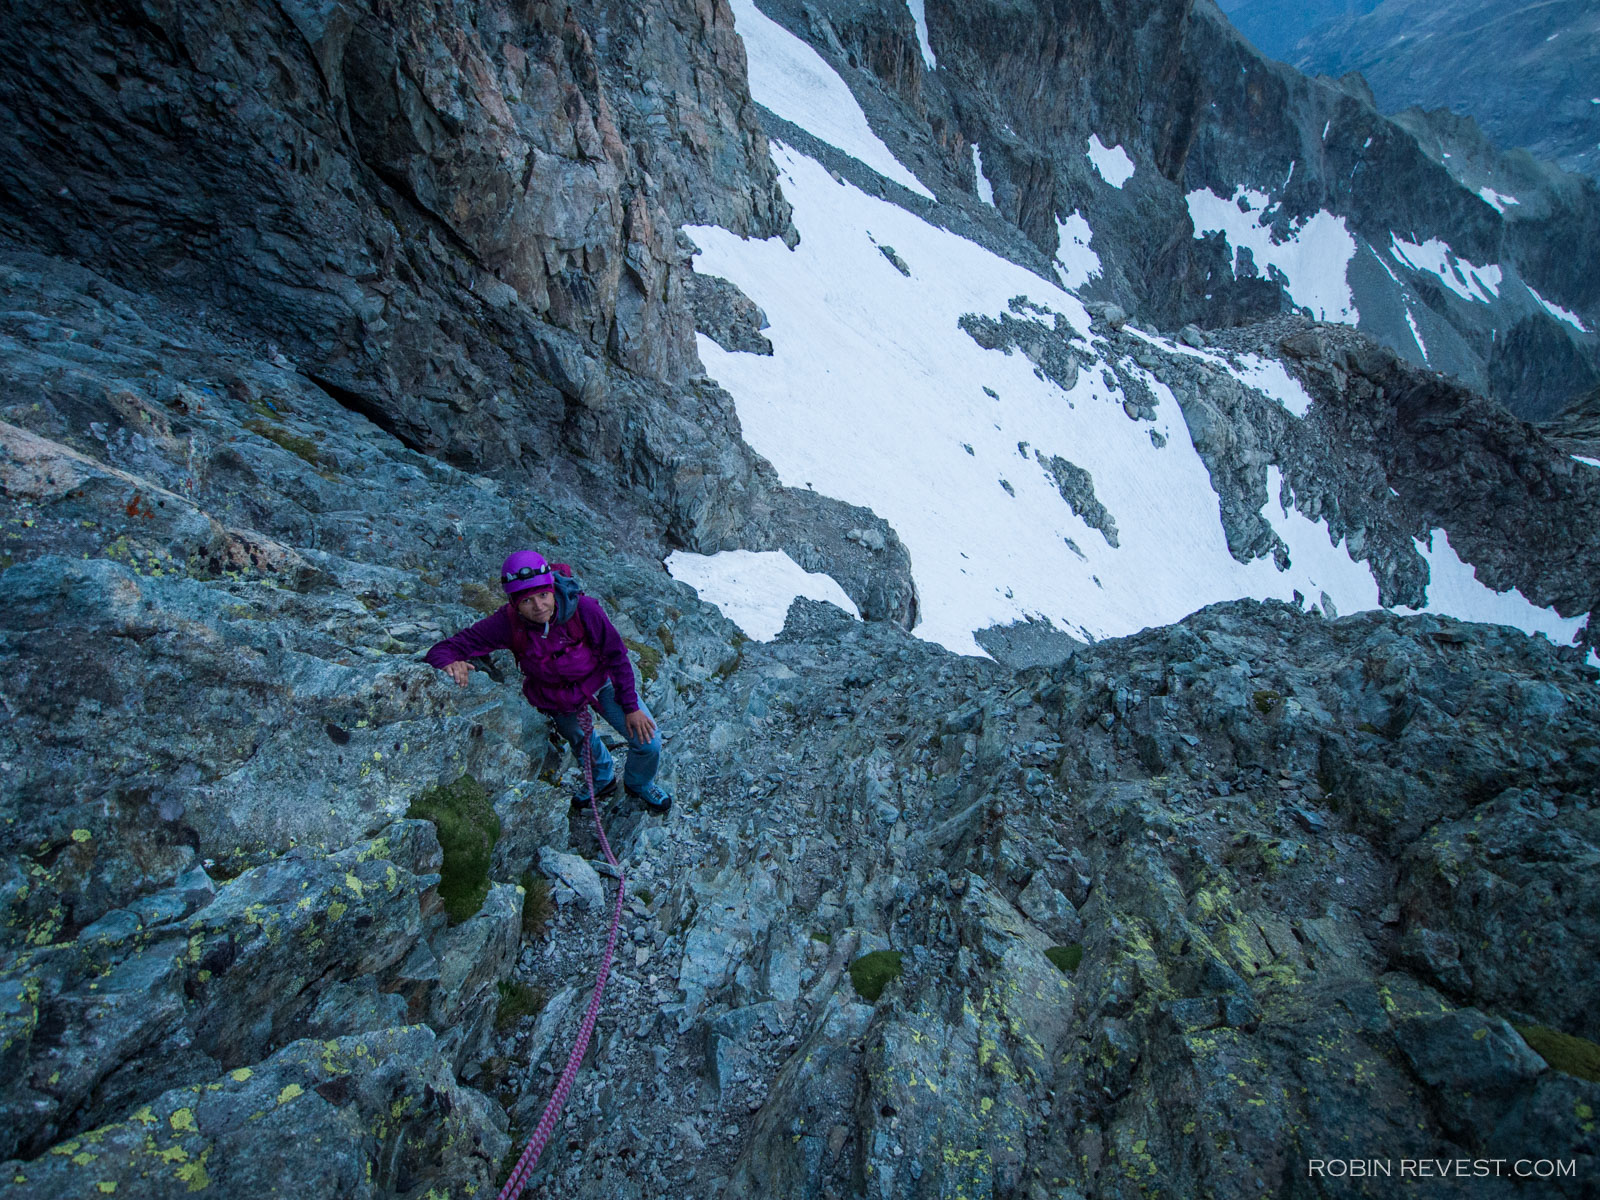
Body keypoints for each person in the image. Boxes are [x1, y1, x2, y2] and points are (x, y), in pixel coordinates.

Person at [425, 550, 672, 813]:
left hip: (601, 682)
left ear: (552, 589)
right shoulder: (506, 623)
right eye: (527, 600)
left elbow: (616, 656)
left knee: (649, 741)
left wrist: (631, 706)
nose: (539, 606)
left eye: (543, 595)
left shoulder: (584, 609)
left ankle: (638, 782)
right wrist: (449, 662)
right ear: (514, 603)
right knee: (580, 740)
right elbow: (444, 649)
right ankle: (602, 780)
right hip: (556, 696)